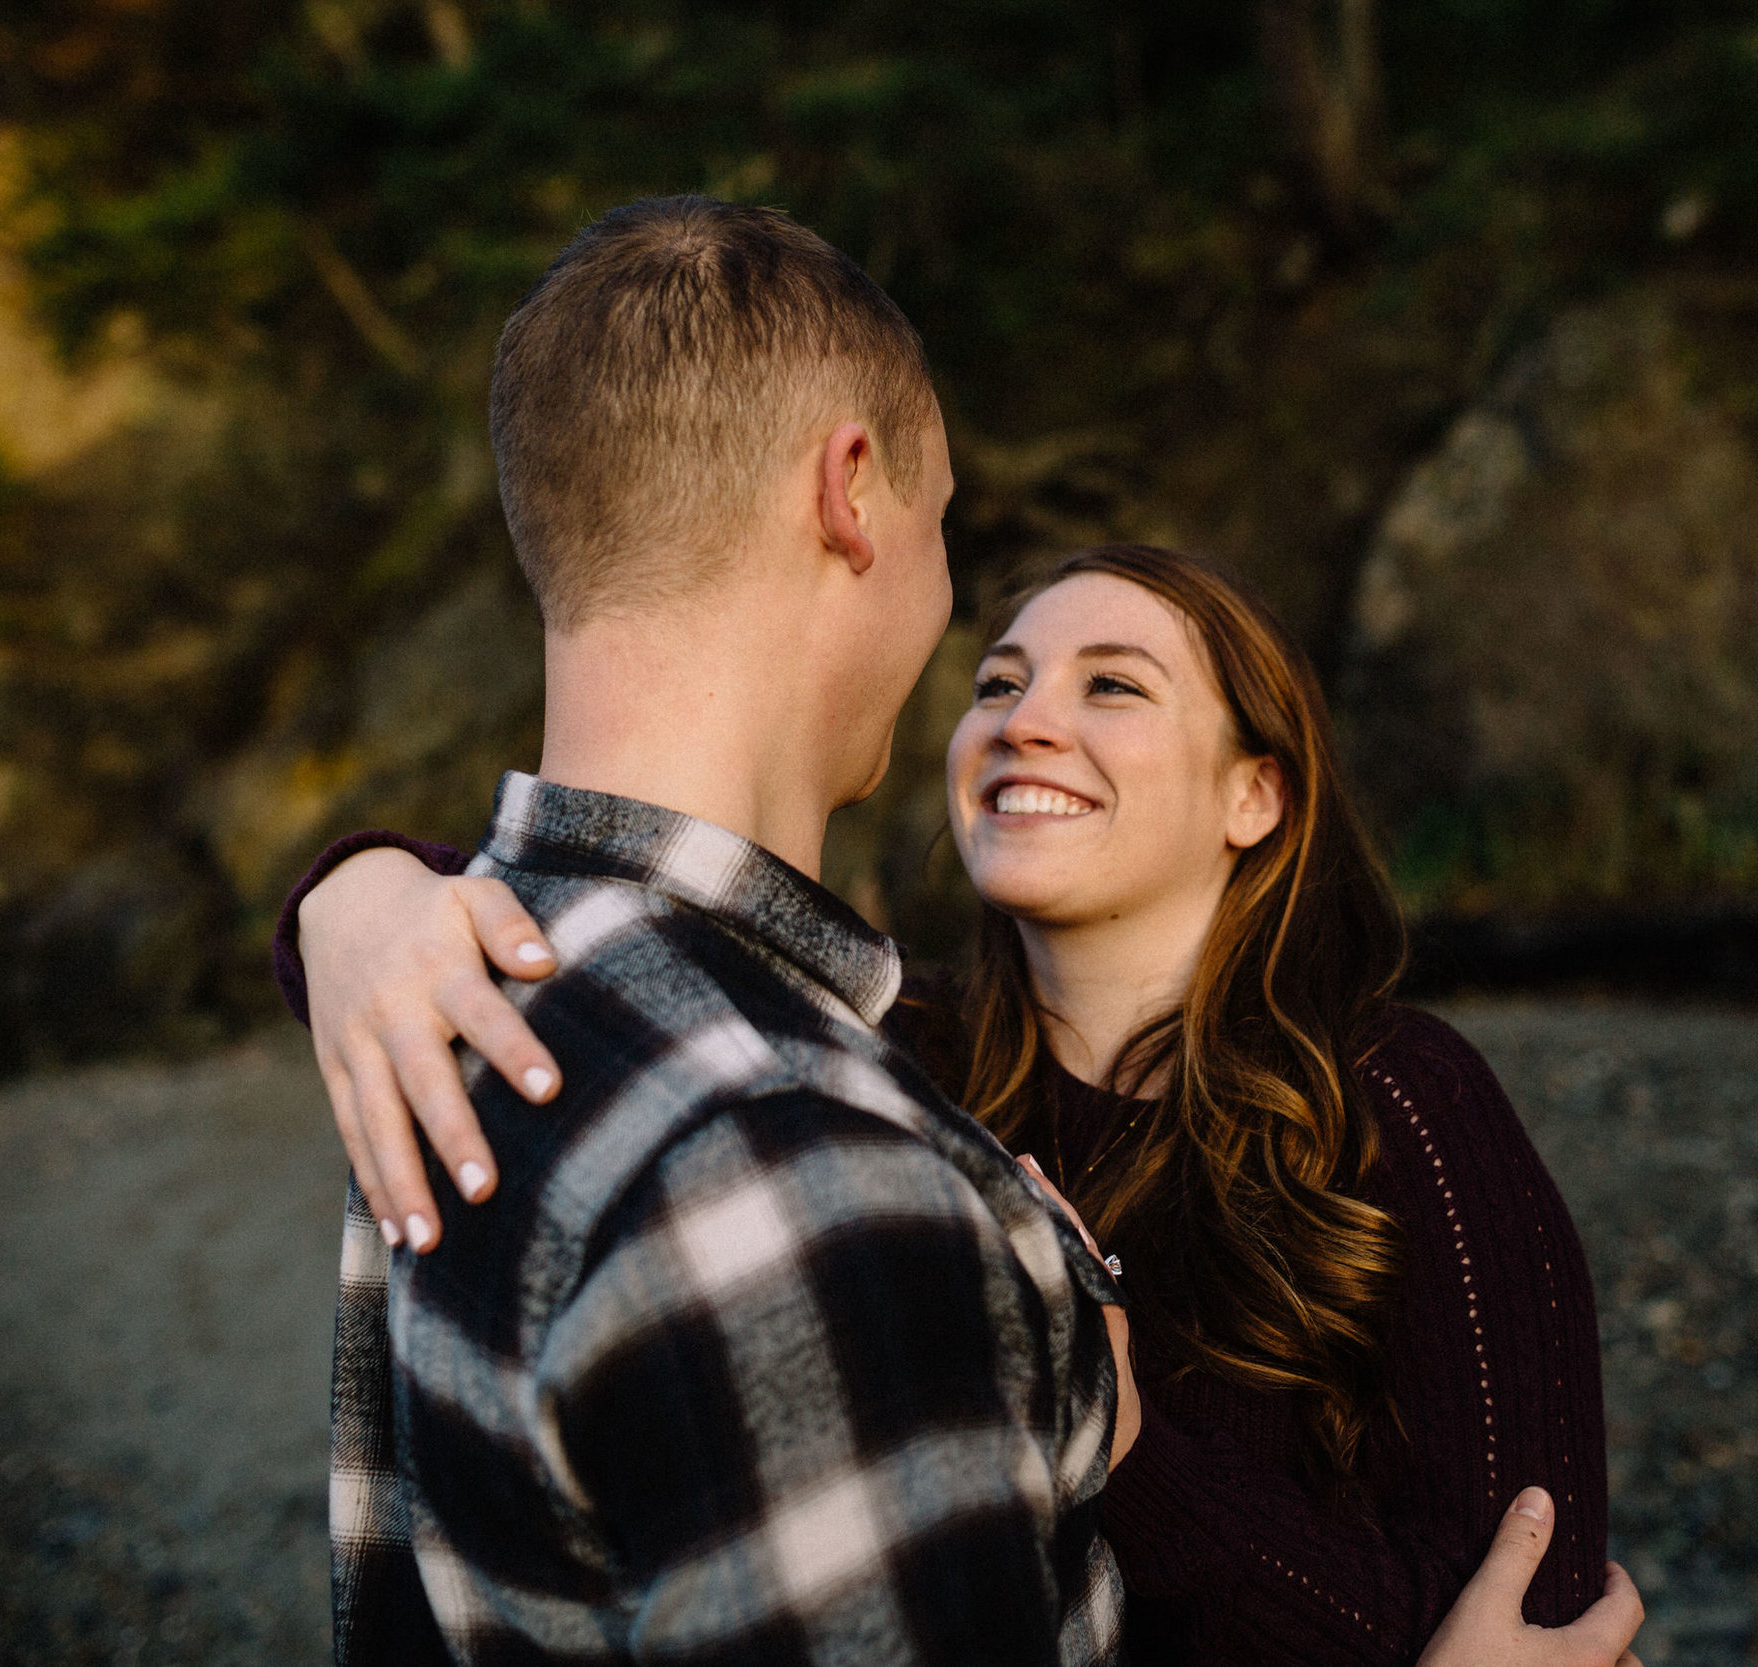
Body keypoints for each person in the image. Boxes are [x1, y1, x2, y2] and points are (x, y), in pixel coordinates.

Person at [288, 535, 1622, 1660]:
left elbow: (1538, 1612)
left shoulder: (1403, 1101)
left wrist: (1133, 1454)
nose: (1023, 720)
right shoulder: (883, 1057)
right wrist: (355, 897)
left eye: (1116, 687)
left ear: (1255, 794)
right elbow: (573, 943)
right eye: (999, 681)